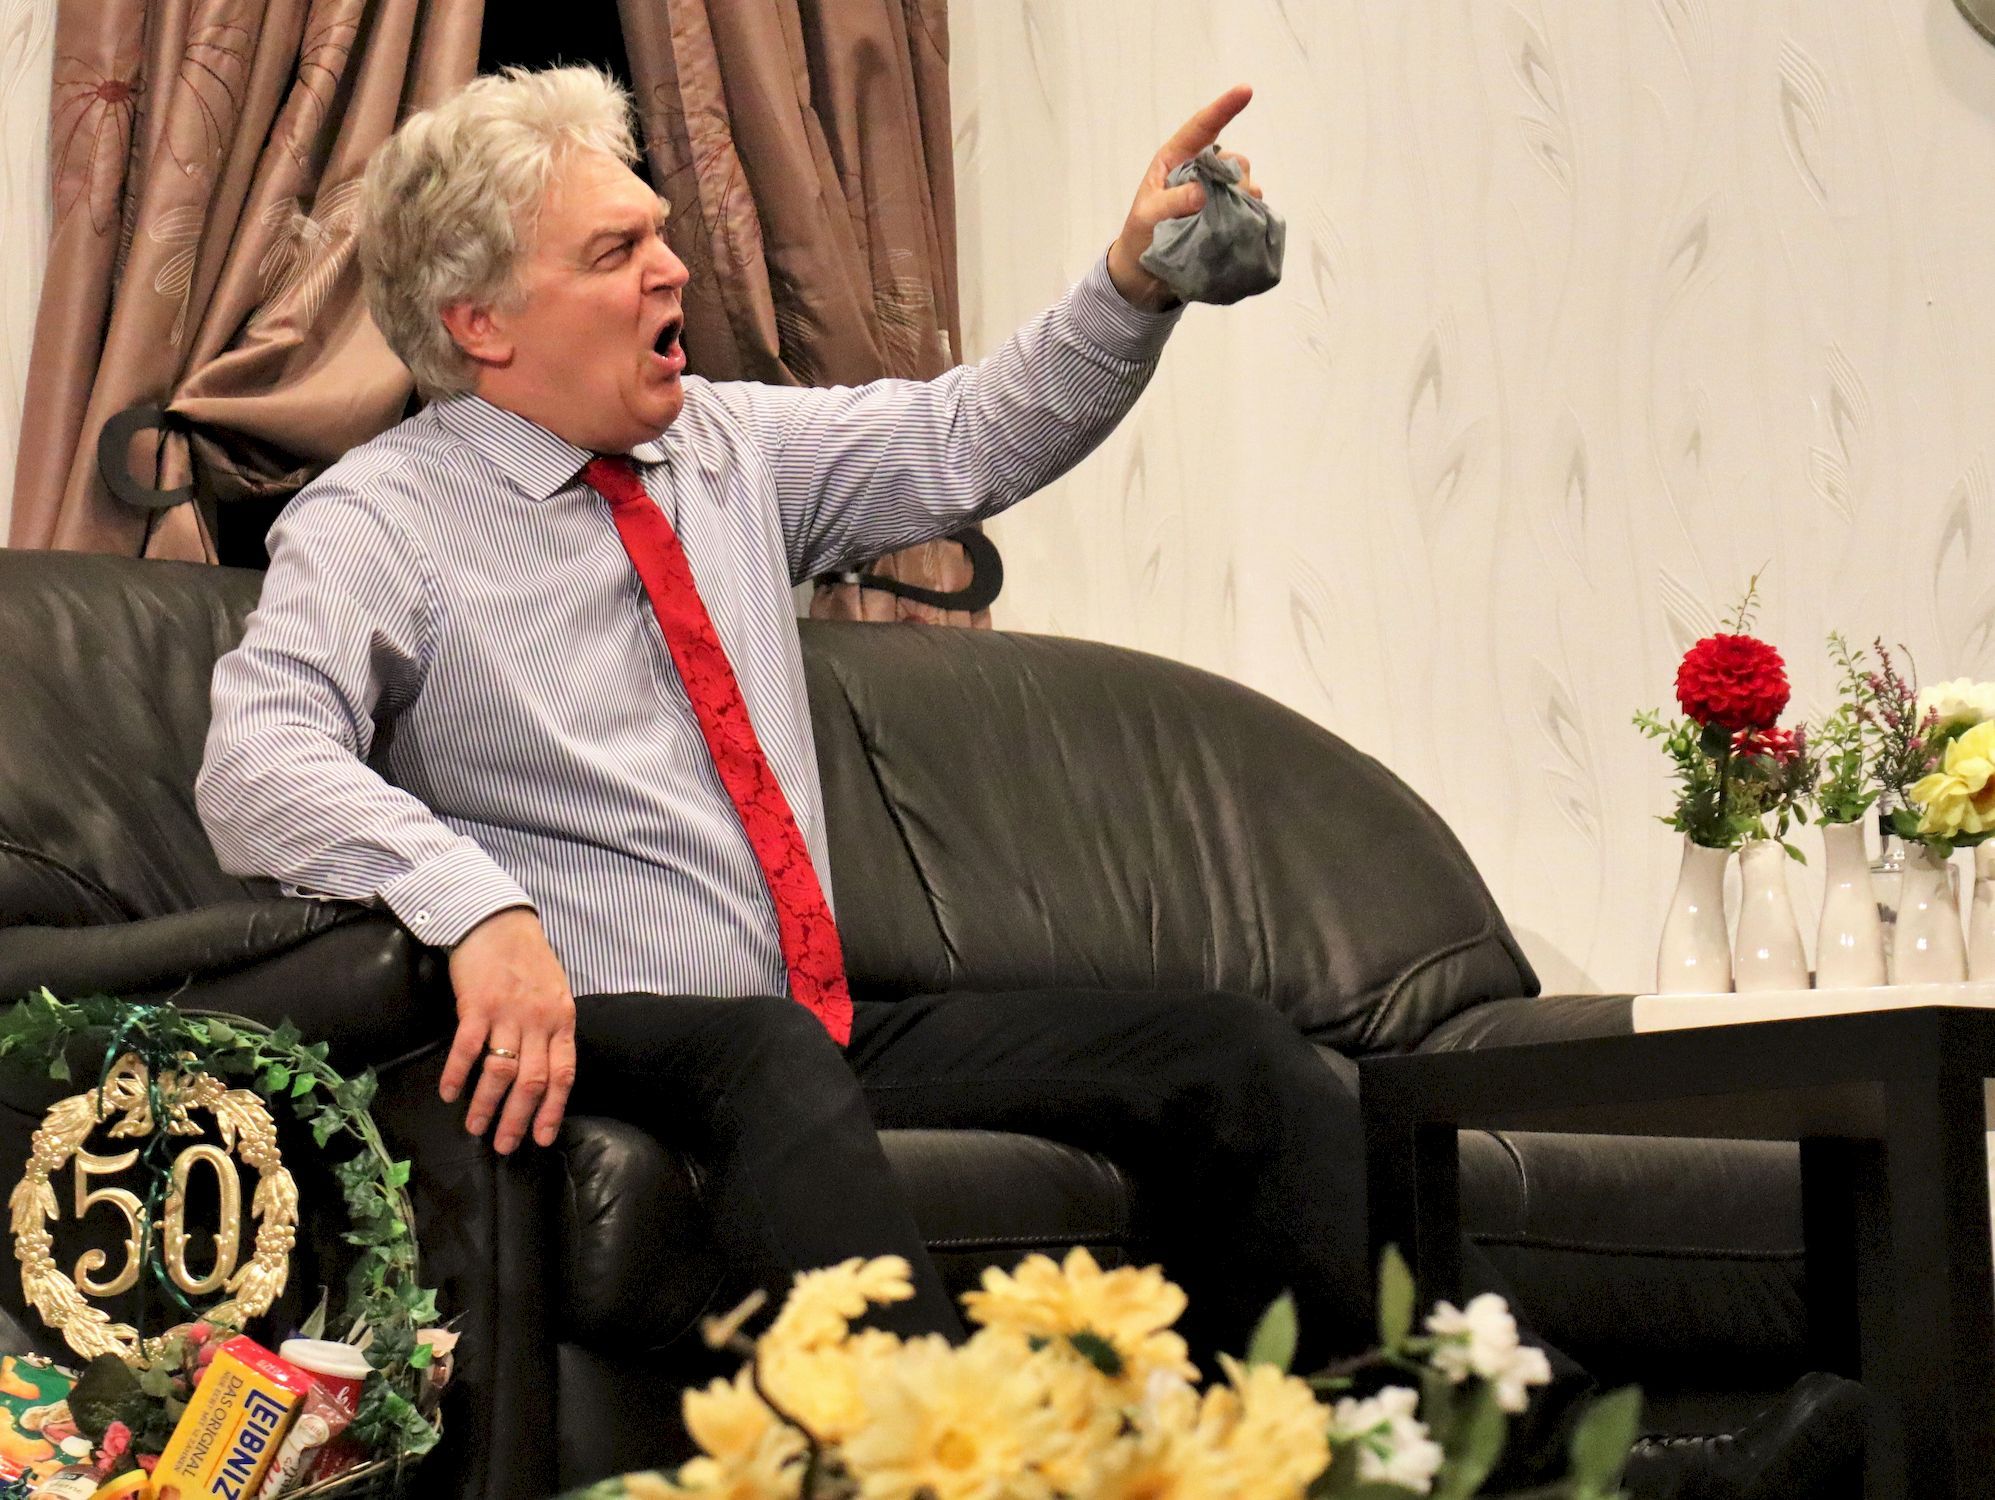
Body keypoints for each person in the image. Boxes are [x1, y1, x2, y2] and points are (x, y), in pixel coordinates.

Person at [197, 65, 1857, 1498]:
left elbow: (967, 435)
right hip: (595, 1033)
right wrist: (472, 904)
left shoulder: (724, 448)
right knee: (766, 1052)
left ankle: (1517, 1461)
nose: (671, 267)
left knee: (1226, 1055)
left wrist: (1133, 284)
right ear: (482, 323)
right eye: (616, 250)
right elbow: (260, 758)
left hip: (794, 1028)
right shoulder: (382, 519)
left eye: (660, 233)